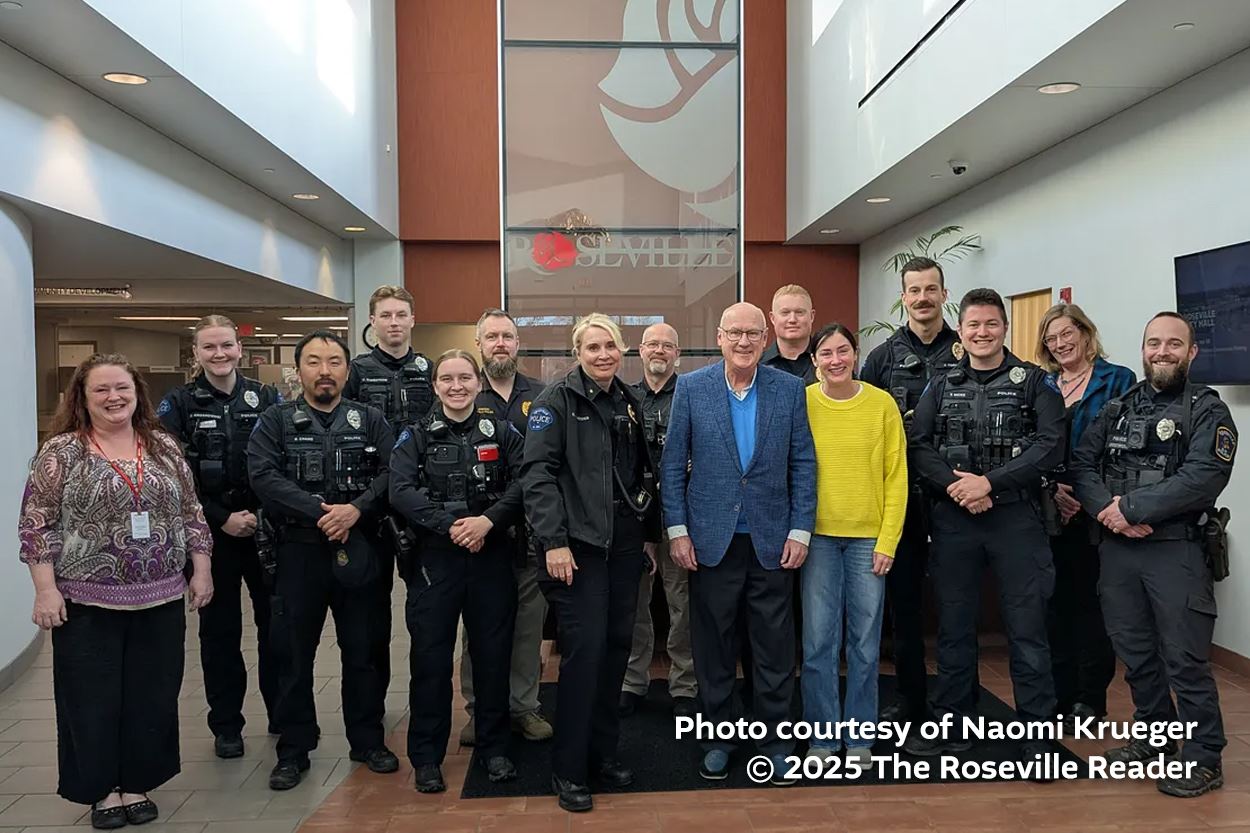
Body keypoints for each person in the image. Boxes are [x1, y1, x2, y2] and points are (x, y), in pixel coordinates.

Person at [19, 354, 213, 830]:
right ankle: (102, 790)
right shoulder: (62, 452)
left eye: (122, 388)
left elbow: (192, 512)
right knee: (91, 699)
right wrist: (45, 590)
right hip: (87, 602)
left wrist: (202, 570)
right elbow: (36, 524)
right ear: (82, 398)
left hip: (161, 597)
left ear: (137, 393)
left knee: (153, 696)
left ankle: (138, 783)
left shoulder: (163, 446)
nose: (114, 397)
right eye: (101, 389)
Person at [1071, 312, 1236, 798]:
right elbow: (1082, 463)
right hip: (1119, 550)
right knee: (1136, 653)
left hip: (1175, 550)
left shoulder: (1208, 411)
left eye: (1173, 344)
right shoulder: (1119, 406)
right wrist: (1110, 513)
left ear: (1191, 352)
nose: (1162, 351)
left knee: (1184, 658)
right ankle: (1154, 737)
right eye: (1154, 343)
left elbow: (1203, 476)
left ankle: (1204, 755)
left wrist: (1131, 509)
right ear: (1143, 350)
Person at [905, 288, 1064, 768]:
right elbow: (918, 445)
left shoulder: (1035, 382)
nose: (982, 332)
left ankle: (1038, 736)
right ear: (961, 329)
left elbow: (1050, 446)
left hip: (1015, 519)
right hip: (955, 520)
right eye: (973, 324)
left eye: (991, 323)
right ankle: (953, 725)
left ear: (1005, 328)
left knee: (1028, 630)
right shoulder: (940, 383)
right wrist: (959, 488)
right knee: (953, 629)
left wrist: (989, 484)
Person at [661, 302, 816, 785]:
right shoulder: (692, 388)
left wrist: (800, 529)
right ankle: (719, 739)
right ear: (720, 338)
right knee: (714, 647)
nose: (744, 342)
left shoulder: (789, 389)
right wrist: (677, 530)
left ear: (765, 338)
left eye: (752, 333)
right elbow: (672, 465)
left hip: (773, 541)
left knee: (774, 648)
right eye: (735, 333)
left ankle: (776, 742)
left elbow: (803, 463)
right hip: (711, 542)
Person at [247, 330, 399, 790]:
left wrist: (356, 510)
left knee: (365, 651)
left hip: (361, 546)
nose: (325, 371)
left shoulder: (370, 419)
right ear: (299, 371)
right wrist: (322, 513)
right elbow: (263, 476)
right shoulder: (275, 420)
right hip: (298, 553)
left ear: (347, 370)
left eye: (334, 362)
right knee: (292, 655)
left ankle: (368, 740)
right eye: (314, 362)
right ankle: (294, 749)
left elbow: (394, 472)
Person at [521, 313, 661, 813]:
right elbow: (537, 476)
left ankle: (603, 755)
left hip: (623, 547)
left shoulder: (629, 401)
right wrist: (553, 541)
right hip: (575, 550)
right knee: (584, 655)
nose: (603, 355)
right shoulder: (555, 402)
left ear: (622, 350)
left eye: (610, 346)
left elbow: (640, 473)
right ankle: (570, 769)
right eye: (592, 347)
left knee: (616, 650)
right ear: (577, 353)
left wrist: (647, 536)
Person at [390, 350, 526, 792]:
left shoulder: (501, 431)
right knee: (430, 661)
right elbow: (400, 490)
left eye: (465, 377)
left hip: (491, 556)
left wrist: (488, 521)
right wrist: (452, 526)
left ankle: (495, 749)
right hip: (436, 561)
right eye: (446, 378)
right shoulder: (415, 436)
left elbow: (526, 481)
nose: (456, 386)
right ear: (435, 386)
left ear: (478, 382)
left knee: (493, 659)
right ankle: (427, 757)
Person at [158, 315, 282, 759]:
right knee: (219, 634)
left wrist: (260, 514)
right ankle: (227, 725)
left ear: (239, 349)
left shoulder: (266, 397)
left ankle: (283, 715)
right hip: (210, 538)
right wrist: (221, 517)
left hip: (264, 528)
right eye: (209, 347)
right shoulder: (178, 405)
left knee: (277, 628)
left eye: (226, 345)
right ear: (196, 352)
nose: (219, 354)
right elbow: (172, 475)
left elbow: (282, 461)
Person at [859, 256, 962, 723]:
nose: (923, 298)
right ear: (903, 298)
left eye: (930, 289)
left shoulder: (965, 351)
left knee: (957, 607)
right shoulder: (881, 359)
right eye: (914, 290)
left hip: (956, 499)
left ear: (944, 294)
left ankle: (958, 703)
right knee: (904, 607)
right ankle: (911, 701)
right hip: (901, 501)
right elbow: (863, 426)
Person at [802, 323, 908, 769]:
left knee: (864, 643)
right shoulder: (803, 402)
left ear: (856, 354)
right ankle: (823, 737)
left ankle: (860, 734)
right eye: (826, 353)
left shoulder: (881, 405)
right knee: (818, 643)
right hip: (818, 539)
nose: (836, 360)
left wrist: (888, 540)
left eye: (843, 351)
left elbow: (896, 477)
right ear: (814, 361)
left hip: (869, 540)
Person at [1035, 303, 1135, 725]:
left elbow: (1125, 447)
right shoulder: (1042, 383)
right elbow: (1032, 445)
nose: (1060, 343)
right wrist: (1051, 489)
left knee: (1092, 604)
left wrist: (1087, 494)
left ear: (1085, 332)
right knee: (1053, 603)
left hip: (1097, 510)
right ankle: (1059, 693)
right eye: (1051, 338)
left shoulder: (1118, 380)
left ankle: (1090, 698)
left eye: (1066, 333)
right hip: (1048, 507)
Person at [458, 309, 553, 745]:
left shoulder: (543, 395)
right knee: (479, 628)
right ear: (479, 344)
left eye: (507, 337)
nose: (500, 344)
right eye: (492, 337)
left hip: (531, 532)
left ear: (518, 344)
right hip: (481, 536)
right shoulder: (464, 391)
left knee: (529, 627)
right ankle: (479, 709)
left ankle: (524, 706)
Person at [344, 284, 435, 703]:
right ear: (373, 321)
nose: (394, 323)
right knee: (370, 618)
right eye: (386, 315)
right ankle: (372, 709)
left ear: (413, 319)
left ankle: (426, 702)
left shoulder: (430, 370)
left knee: (426, 610)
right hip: (371, 509)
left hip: (419, 507)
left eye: (401, 315)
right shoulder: (356, 373)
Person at [619, 322, 697, 719]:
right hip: (636, 519)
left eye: (668, 345)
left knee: (682, 604)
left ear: (677, 354)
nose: (659, 351)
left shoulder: (693, 395)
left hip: (681, 517)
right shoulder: (625, 398)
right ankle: (633, 681)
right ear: (641, 350)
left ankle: (685, 685)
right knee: (635, 604)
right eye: (653, 344)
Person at [761, 284, 817, 383]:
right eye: (785, 313)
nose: (792, 320)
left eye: (799, 312)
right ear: (772, 318)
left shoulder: (828, 361)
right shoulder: (757, 366)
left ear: (811, 316)